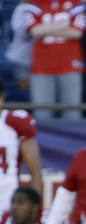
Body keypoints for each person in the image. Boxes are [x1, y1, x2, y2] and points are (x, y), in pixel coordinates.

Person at [24, 0, 86, 119]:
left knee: (72, 114)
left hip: (69, 63)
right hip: (42, 64)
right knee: (42, 114)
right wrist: (62, 27)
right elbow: (34, 30)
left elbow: (77, 32)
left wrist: (46, 30)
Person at [0, 83, 43, 213]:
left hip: (7, 199)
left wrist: (35, 208)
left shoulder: (14, 122)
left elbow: (35, 171)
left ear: (1, 99)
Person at [6, 0, 46, 93]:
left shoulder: (52, 7)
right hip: (24, 59)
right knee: (26, 94)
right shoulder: (22, 9)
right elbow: (24, 33)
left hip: (44, 60)